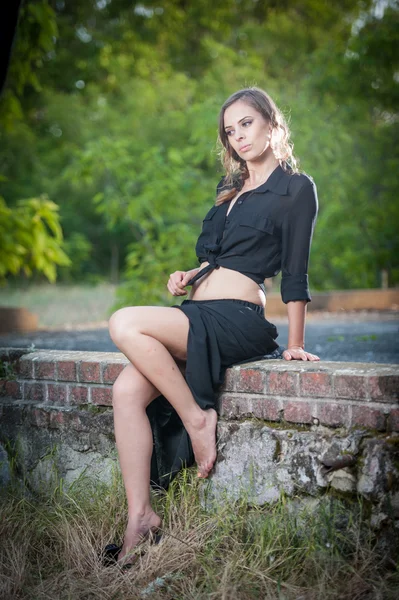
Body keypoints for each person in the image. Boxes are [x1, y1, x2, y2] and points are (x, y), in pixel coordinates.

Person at [107, 86, 320, 564]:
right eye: (230, 131)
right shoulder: (229, 192)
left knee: (124, 322)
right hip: (198, 314)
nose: (238, 137)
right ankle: (140, 517)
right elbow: (220, 259)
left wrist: (296, 342)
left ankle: (196, 418)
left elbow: (296, 272)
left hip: (238, 321)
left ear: (271, 123)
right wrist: (191, 274)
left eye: (246, 123)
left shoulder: (295, 188)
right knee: (125, 393)